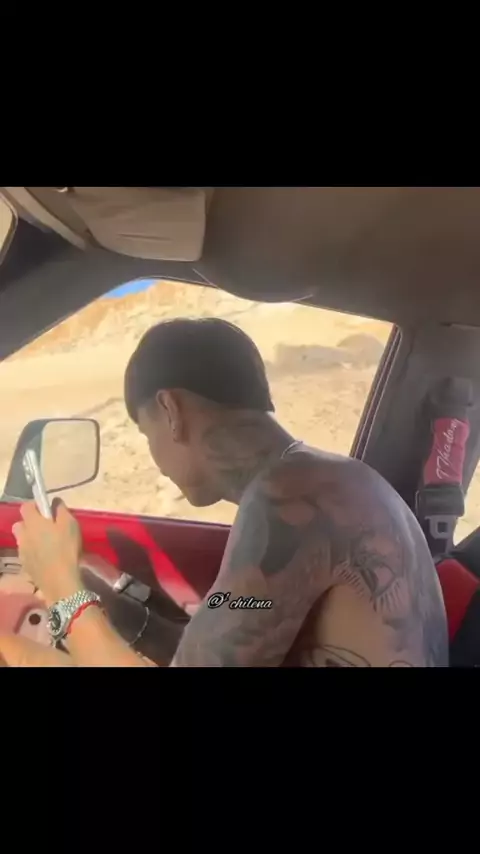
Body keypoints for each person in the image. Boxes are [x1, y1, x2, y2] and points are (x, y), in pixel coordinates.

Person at [0, 318, 448, 667]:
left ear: (170, 411)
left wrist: (60, 583)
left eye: (145, 432)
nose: (155, 458)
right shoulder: (324, 480)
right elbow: (216, 648)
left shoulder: (286, 503)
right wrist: (110, 607)